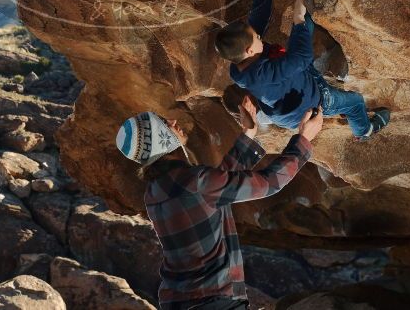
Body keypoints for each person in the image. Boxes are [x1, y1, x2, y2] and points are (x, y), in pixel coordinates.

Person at [116, 105, 323, 309]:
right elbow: (269, 183)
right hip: (214, 302)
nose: (173, 122)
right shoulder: (195, 182)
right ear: (161, 138)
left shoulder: (154, 192)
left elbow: (217, 190)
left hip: (181, 301)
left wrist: (248, 135)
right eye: (164, 122)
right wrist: (303, 140)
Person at [213, 0, 390, 140]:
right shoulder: (263, 76)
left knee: (306, 22)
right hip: (310, 104)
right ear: (249, 51)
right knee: (355, 101)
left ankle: (342, 108)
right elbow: (301, 58)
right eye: (257, 37)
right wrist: (297, 19)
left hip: (298, 82)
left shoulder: (242, 60)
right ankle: (364, 131)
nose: (259, 36)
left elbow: (260, 11)